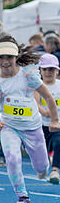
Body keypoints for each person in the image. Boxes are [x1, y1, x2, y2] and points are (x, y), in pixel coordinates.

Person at [0, 37, 59, 203]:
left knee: (41, 167)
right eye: (1, 57)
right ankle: (22, 198)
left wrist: (54, 120)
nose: (5, 61)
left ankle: (43, 169)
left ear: (16, 57)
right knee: (12, 158)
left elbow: (48, 97)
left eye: (9, 57)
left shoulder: (28, 76)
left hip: (33, 127)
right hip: (10, 127)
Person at [37, 53, 60, 184]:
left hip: (57, 124)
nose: (47, 72)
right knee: (41, 149)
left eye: (51, 69)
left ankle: (55, 170)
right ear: (40, 70)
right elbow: (36, 102)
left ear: (57, 70)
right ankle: (44, 167)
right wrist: (44, 112)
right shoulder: (37, 85)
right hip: (41, 125)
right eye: (44, 69)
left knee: (58, 143)